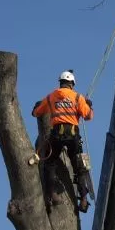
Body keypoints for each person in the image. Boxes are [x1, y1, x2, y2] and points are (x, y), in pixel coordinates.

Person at [31, 70, 94, 212]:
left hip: (57, 135)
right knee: (80, 167)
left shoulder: (52, 96)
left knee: (50, 163)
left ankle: (52, 194)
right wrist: (89, 105)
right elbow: (89, 116)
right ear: (72, 84)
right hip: (73, 136)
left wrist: (36, 108)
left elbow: (37, 113)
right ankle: (83, 199)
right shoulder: (78, 97)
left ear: (60, 83)